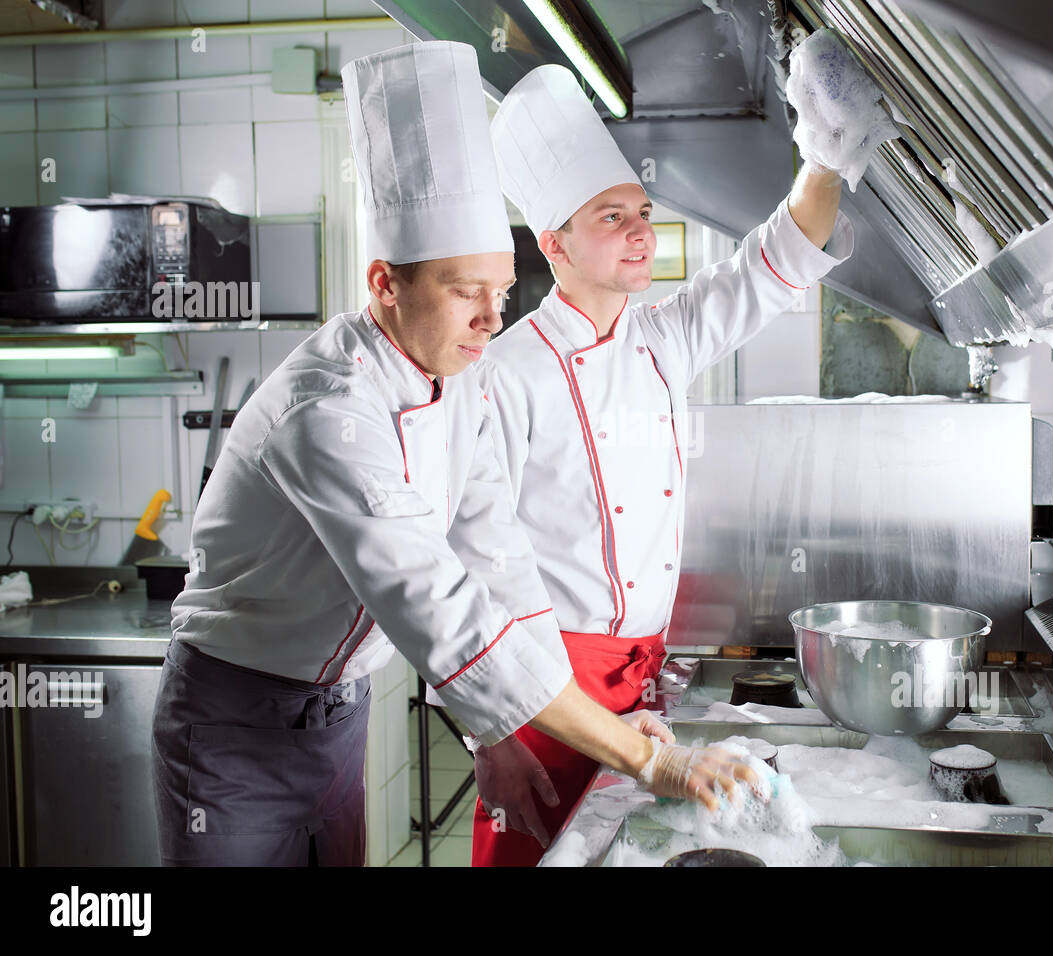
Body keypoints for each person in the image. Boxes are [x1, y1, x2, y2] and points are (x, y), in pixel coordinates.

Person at [151, 42, 758, 867]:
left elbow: (498, 567)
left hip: (340, 714)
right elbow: (441, 613)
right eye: (464, 290)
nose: (490, 319)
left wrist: (537, 727)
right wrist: (654, 758)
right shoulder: (329, 413)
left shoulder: (460, 382)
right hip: (233, 720)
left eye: (502, 292)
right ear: (383, 284)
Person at [458, 64, 855, 866]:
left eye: (641, 212)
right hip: (542, 695)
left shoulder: (662, 340)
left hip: (641, 690)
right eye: (613, 217)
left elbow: (773, 263)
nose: (642, 231)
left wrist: (832, 154)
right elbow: (465, 565)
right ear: (553, 243)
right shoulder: (506, 373)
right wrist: (488, 731)